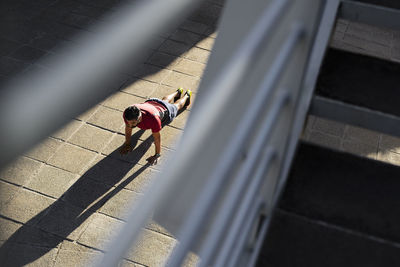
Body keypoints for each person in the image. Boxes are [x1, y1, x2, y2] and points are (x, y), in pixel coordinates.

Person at [120, 88, 192, 165]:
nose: (130, 125)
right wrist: (127, 143)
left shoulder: (153, 119)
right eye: (129, 123)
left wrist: (157, 155)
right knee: (164, 101)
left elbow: (157, 138)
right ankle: (178, 91)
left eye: (133, 122)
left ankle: (187, 95)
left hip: (166, 111)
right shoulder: (127, 113)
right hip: (152, 102)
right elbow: (128, 129)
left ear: (140, 117)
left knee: (177, 106)